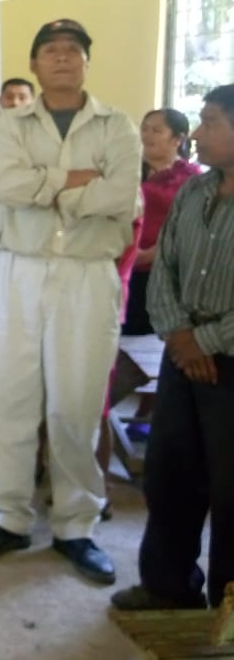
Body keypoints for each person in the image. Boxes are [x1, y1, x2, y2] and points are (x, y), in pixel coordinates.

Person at [0, 19, 140, 587]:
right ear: (35, 64)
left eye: (73, 51)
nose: (63, 58)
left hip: (87, 274)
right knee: (4, 394)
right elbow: (2, 186)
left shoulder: (118, 126)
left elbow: (123, 196)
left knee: (76, 402)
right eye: (51, 51)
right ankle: (7, 518)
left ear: (87, 62)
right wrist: (79, 182)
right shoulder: (10, 123)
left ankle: (75, 526)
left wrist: (45, 185)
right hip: (18, 268)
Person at [111, 84, 234, 613]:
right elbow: (164, 270)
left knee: (231, 491)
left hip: (225, 356)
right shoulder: (195, 191)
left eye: (211, 122)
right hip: (183, 355)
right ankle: (168, 586)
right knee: (170, 475)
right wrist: (181, 338)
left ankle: (227, 607)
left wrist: (201, 341)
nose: (198, 133)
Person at [122, 108, 200, 337]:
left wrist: (151, 254)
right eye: (144, 129)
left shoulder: (191, 178)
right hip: (120, 263)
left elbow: (193, 227)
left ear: (178, 139)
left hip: (164, 271)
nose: (147, 135)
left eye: (156, 130)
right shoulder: (124, 170)